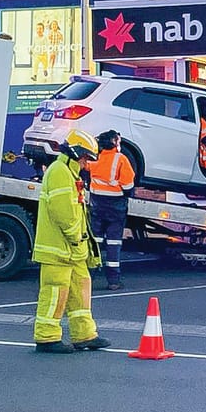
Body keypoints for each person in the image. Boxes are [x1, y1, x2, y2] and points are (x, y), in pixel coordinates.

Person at [32, 129, 111, 354]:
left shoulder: (70, 172)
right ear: (77, 153)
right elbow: (63, 212)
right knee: (55, 292)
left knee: (80, 290)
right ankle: (47, 337)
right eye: (86, 158)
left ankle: (84, 335)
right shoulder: (60, 172)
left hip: (73, 249)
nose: (88, 164)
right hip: (59, 248)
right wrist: (76, 236)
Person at [84, 129, 135, 291]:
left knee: (95, 242)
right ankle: (113, 280)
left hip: (97, 205)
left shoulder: (96, 159)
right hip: (116, 207)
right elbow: (128, 185)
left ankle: (88, 278)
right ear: (114, 142)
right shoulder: (121, 159)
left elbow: (87, 170)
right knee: (113, 243)